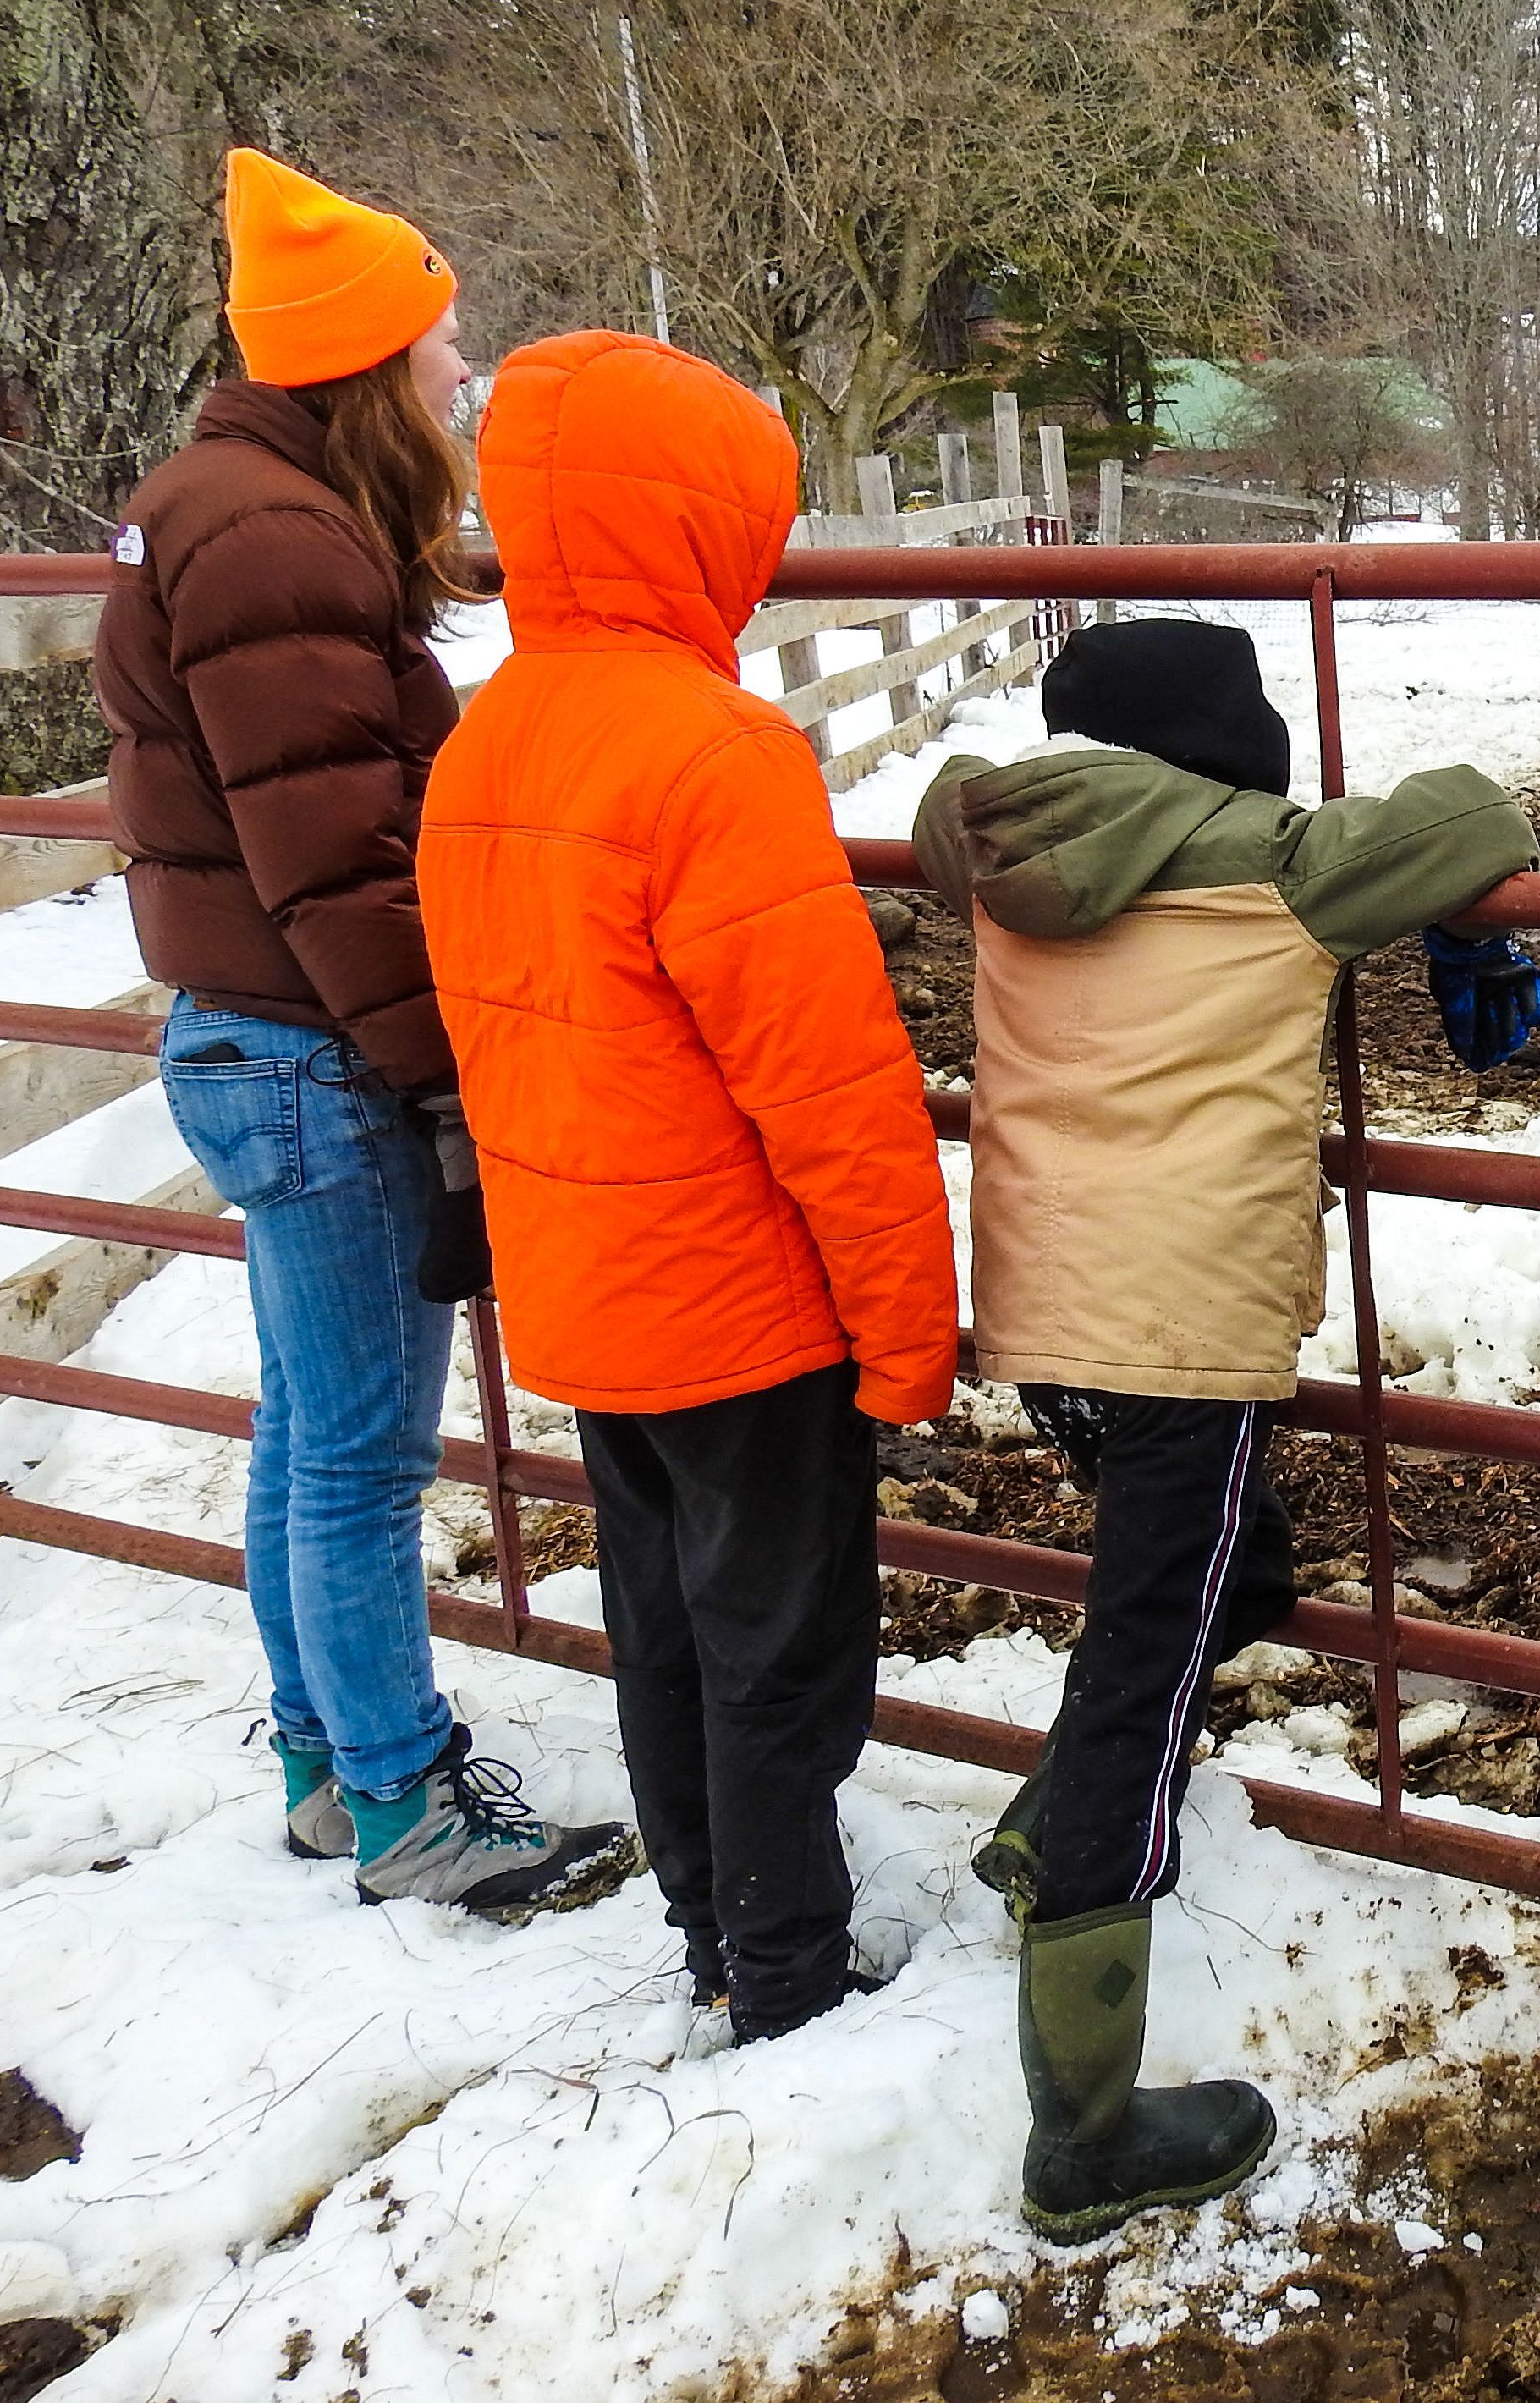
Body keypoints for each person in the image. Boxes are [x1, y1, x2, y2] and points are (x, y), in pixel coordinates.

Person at [914, 617, 1540, 2235]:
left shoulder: (987, 837)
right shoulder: (1280, 860)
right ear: (1230, 739)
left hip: (1045, 1312)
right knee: (1142, 1664)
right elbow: (1478, 821)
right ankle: (1087, 2131)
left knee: (1222, 1580)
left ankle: (1044, 1833)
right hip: (1185, 1333)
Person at [95, 149, 625, 1917]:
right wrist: (440, 1078)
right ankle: (401, 1803)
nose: (462, 379)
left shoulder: (245, 503)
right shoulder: (271, 536)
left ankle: (333, 1763)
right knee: (358, 1450)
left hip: (264, 1035)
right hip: (317, 1049)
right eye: (441, 349)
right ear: (364, 365)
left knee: (306, 1431)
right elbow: (330, 854)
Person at [419, 331, 960, 2043]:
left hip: (585, 1279)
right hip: (737, 1299)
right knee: (780, 1645)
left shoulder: (489, 739)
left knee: (660, 1624)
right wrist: (905, 1324)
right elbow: (829, 1084)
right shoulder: (713, 752)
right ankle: (789, 1971)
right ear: (699, 523)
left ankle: (712, 1927)